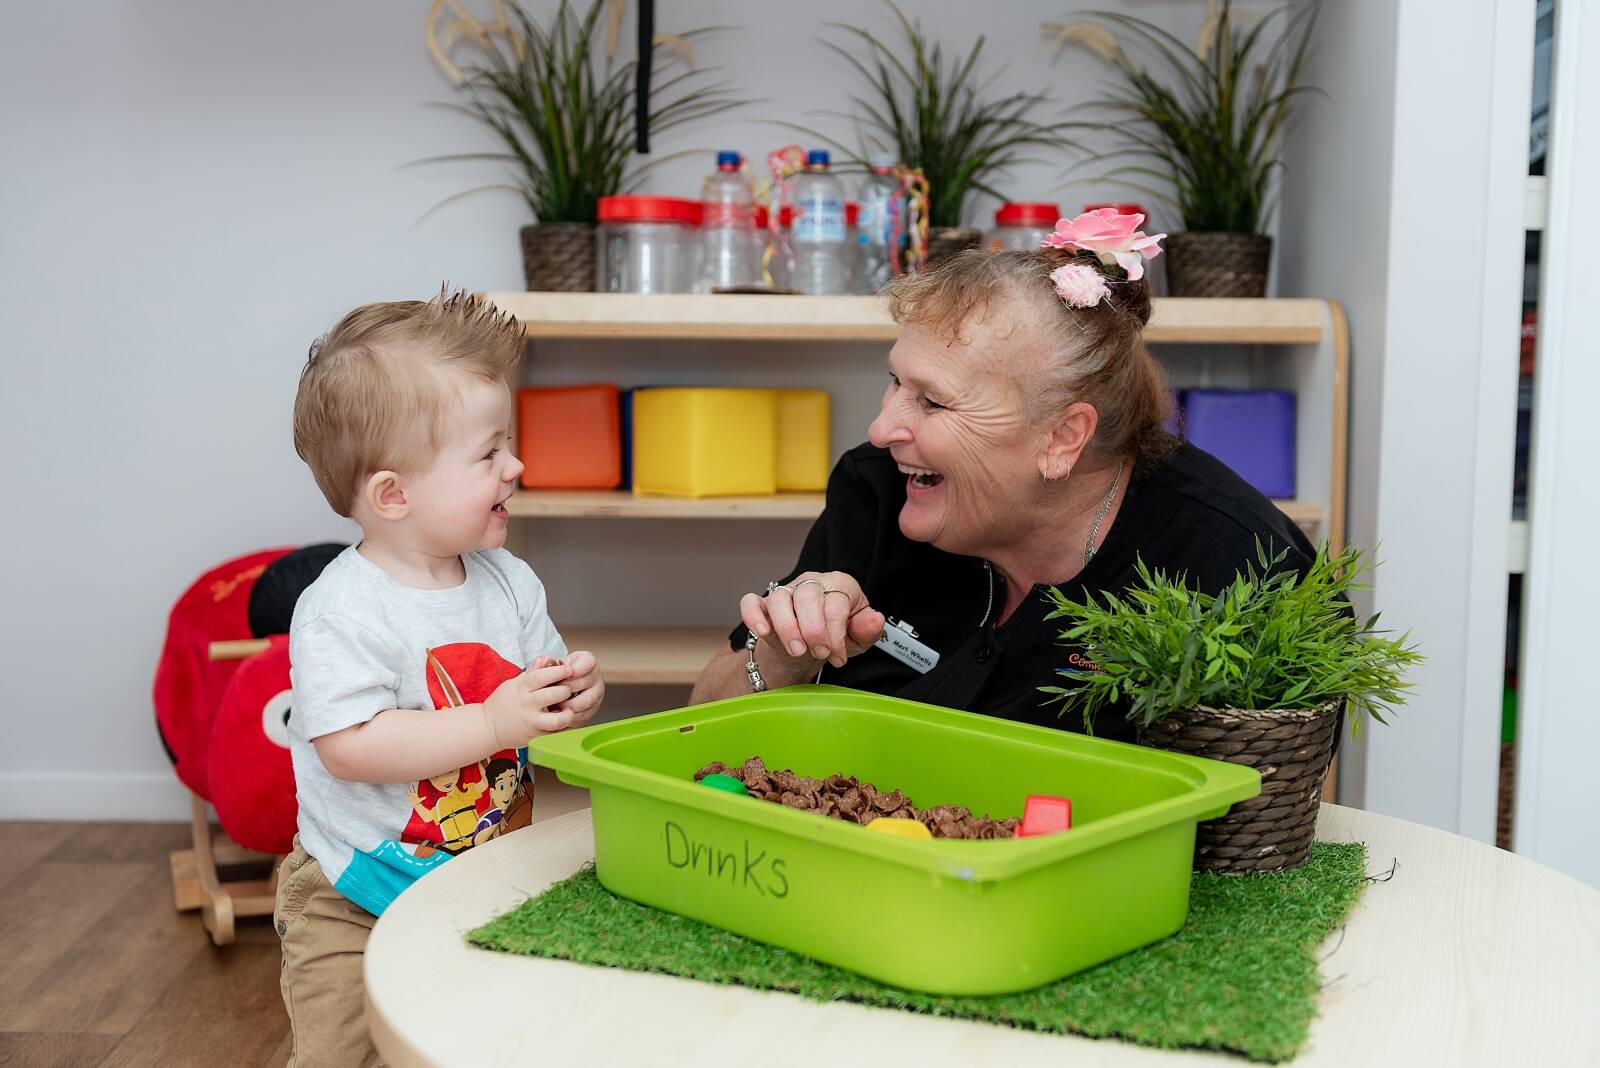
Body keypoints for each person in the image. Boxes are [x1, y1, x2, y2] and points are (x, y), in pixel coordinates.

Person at [690, 210, 1315, 742]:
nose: (882, 430)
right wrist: (781, 656)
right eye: (895, 382)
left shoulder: (1238, 564)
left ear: (1063, 437)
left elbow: (1258, 815)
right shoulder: (877, 490)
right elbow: (699, 729)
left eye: (932, 402)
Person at [277, 289, 605, 1067]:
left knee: (486, 1035)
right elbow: (349, 746)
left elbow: (535, 694)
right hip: (353, 890)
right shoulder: (341, 611)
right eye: (489, 453)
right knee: (341, 1053)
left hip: (487, 866)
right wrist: (494, 724)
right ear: (395, 494)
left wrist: (566, 698)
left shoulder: (509, 581)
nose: (515, 466)